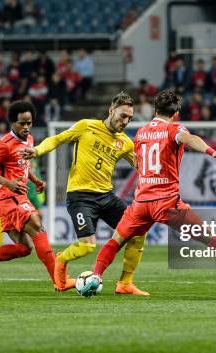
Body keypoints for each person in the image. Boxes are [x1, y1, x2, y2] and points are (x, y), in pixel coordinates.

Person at [79, 89, 216, 297]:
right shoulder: (174, 130)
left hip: (141, 202)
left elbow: (139, 161)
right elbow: (189, 139)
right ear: (176, 113)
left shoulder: (141, 133)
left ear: (155, 110)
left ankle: (96, 277)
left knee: (115, 241)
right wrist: (212, 151)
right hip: (167, 203)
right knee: (210, 238)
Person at [20, 92, 149, 295]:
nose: (125, 121)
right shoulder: (86, 126)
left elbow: (142, 167)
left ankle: (125, 283)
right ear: (111, 110)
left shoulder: (125, 143)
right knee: (87, 247)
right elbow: (57, 139)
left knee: (138, 232)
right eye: (123, 116)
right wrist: (36, 151)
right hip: (80, 197)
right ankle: (61, 260)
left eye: (129, 118)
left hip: (106, 197)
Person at [0, 101, 75, 291]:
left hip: (10, 199)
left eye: (29, 123)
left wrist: (35, 180)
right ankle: (60, 281)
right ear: (12, 123)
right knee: (38, 228)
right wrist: (8, 183)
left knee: (24, 249)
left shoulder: (30, 140)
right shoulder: (4, 144)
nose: (26, 127)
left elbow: (22, 165)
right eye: (21, 123)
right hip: (9, 197)